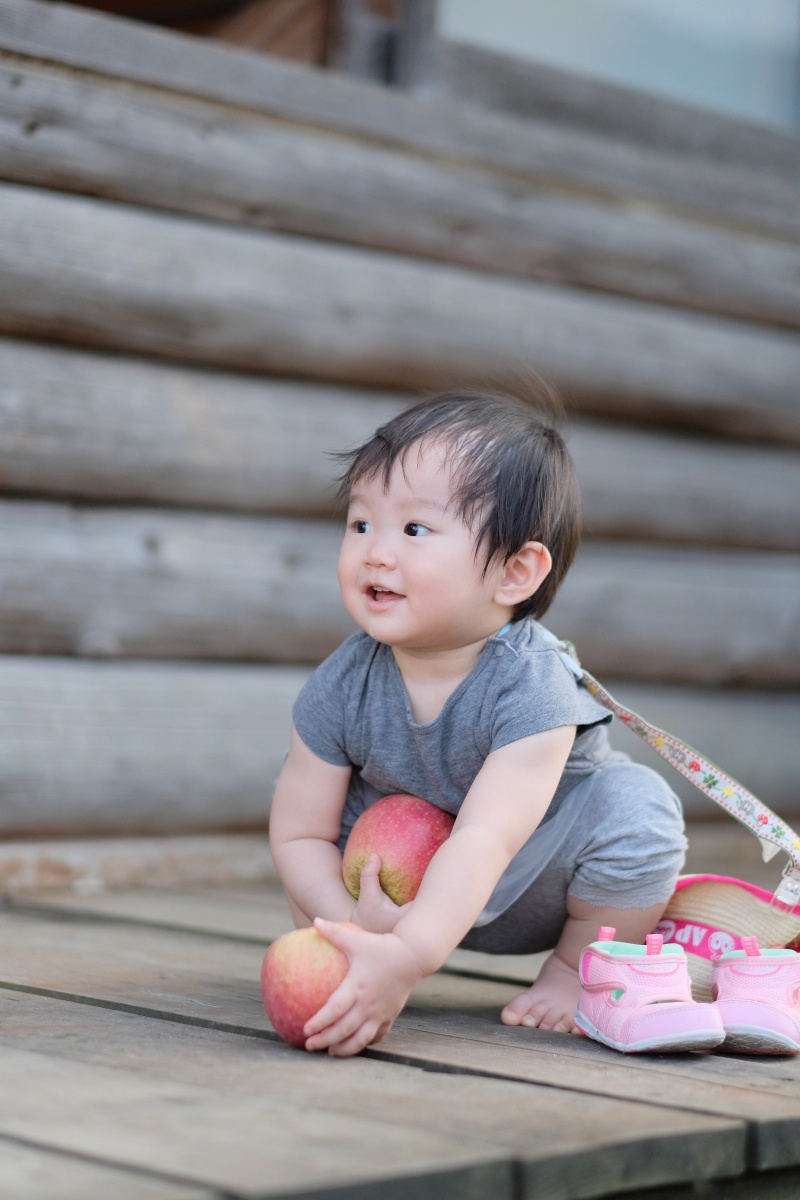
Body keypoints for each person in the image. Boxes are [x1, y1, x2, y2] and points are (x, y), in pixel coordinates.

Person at [269, 390, 686, 1056]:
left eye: (413, 530)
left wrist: (409, 953)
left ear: (516, 572)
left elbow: (488, 839)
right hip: (385, 887)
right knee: (325, 837)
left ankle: (577, 971)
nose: (375, 553)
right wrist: (348, 919)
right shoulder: (340, 685)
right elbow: (298, 834)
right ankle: (345, 960)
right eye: (359, 525)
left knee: (639, 811)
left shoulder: (531, 684)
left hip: (530, 878)